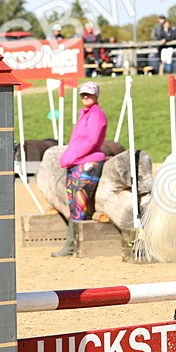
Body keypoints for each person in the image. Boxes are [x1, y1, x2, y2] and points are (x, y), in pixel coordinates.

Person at [51, 82, 109, 257]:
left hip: (87, 161)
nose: (85, 97)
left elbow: (92, 141)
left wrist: (72, 156)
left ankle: (74, 245)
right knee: (73, 203)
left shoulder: (97, 115)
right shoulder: (85, 115)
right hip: (77, 162)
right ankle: (71, 243)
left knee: (79, 203)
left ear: (96, 96)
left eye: (89, 94)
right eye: (83, 94)